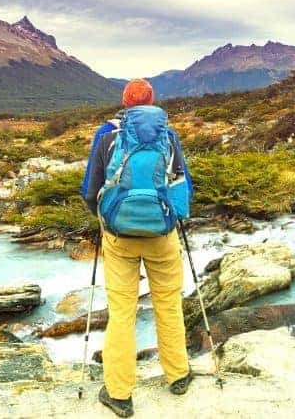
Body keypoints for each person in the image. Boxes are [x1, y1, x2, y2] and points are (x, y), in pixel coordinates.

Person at [81, 78, 195, 418]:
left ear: (124, 102)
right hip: (162, 235)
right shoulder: (168, 136)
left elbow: (90, 191)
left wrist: (105, 220)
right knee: (169, 304)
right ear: (151, 102)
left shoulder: (106, 136)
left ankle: (119, 393)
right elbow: (184, 188)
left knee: (122, 313)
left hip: (119, 239)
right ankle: (177, 375)